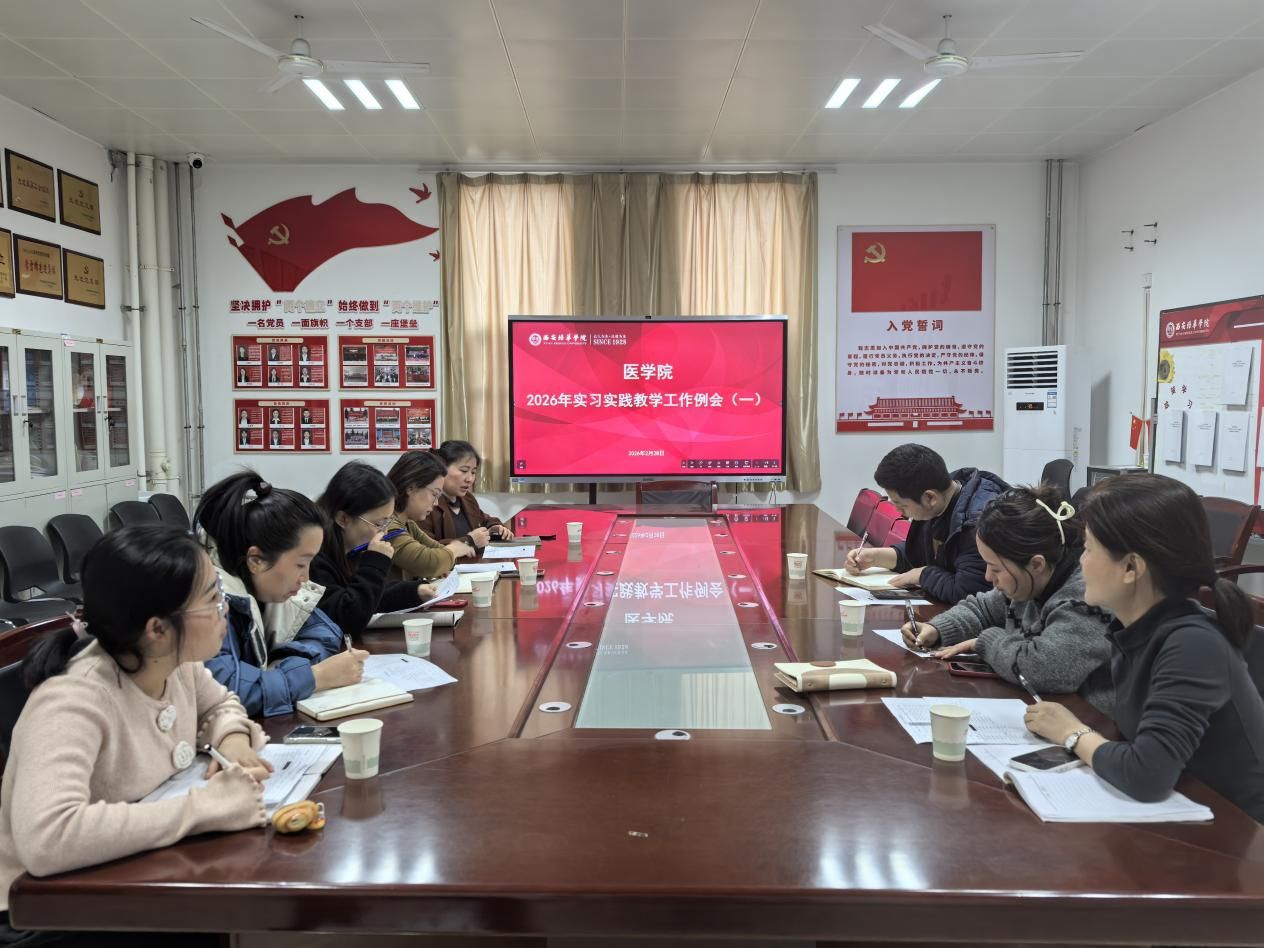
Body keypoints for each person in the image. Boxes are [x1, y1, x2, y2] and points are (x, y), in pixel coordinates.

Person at [0, 525, 269, 946]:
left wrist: (233, 738)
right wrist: (201, 809)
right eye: (211, 598)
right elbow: (48, 837)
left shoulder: (173, 662)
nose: (224, 608)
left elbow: (219, 704)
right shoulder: (72, 701)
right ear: (157, 629)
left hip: (136, 877)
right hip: (52, 914)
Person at [1024, 474, 1264, 822]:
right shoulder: (1137, 629)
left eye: (1089, 549)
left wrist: (1071, 733)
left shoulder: (1193, 644)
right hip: (1184, 812)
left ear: (1131, 567)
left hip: (1237, 833)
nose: (1081, 562)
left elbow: (1147, 775)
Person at [901, 485, 1114, 710]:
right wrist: (937, 629)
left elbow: (1043, 669)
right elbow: (982, 609)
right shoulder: (1027, 581)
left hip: (1087, 720)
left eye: (996, 568)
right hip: (1043, 710)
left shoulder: (1087, 598)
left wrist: (984, 642)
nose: (988, 576)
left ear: (1036, 564)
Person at [194, 472, 365, 717]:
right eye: (300, 564)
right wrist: (314, 676)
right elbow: (222, 690)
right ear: (256, 560)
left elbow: (324, 631)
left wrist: (286, 664)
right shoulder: (208, 601)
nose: (305, 577)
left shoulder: (268, 582)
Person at [845, 444, 1007, 603]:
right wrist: (876, 557)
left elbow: (968, 593)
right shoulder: (940, 500)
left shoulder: (978, 525)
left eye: (902, 506)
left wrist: (923, 575)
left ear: (930, 498)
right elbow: (921, 554)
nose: (899, 512)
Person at [310, 462, 440, 638]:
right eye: (379, 524)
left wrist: (414, 591)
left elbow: (367, 594)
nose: (383, 532)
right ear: (343, 519)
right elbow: (349, 618)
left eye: (387, 522)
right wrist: (375, 563)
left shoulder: (348, 548)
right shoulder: (313, 557)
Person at [385, 451, 473, 581]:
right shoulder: (386, 525)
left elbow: (438, 552)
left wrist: (445, 560)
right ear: (411, 488)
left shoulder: (409, 524)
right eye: (434, 494)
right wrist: (454, 549)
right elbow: (429, 563)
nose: (436, 503)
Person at [422, 441, 513, 558]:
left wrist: (494, 528)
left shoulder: (467, 498)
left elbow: (484, 520)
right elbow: (426, 551)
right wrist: (469, 541)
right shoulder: (425, 504)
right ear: (442, 469)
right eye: (464, 471)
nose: (470, 479)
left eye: (473, 472)